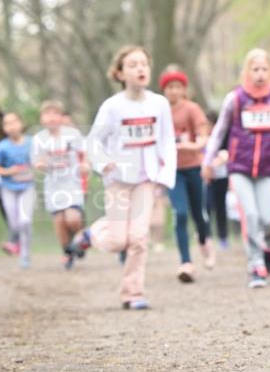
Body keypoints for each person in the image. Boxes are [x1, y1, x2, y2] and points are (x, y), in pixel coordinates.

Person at [67, 45, 177, 310]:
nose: (140, 69)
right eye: (132, 65)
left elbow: (167, 141)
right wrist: (103, 163)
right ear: (119, 73)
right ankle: (90, 235)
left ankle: (133, 293)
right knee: (118, 241)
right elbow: (93, 142)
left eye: (144, 64)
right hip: (118, 179)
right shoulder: (113, 107)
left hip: (146, 179)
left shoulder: (159, 104)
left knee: (139, 238)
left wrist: (164, 175)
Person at [202, 49, 270, 289]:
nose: (260, 74)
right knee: (251, 216)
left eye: (264, 69)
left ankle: (269, 247)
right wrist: (208, 161)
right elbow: (219, 131)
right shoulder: (235, 99)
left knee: (267, 220)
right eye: (255, 69)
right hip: (239, 167)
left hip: (267, 167)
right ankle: (255, 264)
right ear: (247, 71)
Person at [160, 67, 215, 283]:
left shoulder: (192, 109)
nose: (173, 91)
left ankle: (204, 240)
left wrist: (190, 146)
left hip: (193, 167)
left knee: (198, 214)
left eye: (177, 87)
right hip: (173, 172)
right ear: (164, 90)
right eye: (169, 87)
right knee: (180, 214)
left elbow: (203, 138)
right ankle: (186, 262)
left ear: (184, 89)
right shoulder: (160, 111)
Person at [31, 100, 89, 269]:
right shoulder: (39, 139)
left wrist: (85, 164)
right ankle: (67, 252)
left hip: (72, 183)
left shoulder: (72, 135)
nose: (51, 118)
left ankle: (80, 240)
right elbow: (37, 161)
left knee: (72, 218)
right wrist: (41, 165)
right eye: (47, 114)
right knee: (59, 221)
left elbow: (84, 152)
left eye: (55, 114)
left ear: (61, 117)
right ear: (41, 118)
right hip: (53, 186)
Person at [0, 112, 35, 269]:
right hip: (8, 188)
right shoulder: (1, 147)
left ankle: (25, 254)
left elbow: (39, 160)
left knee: (25, 221)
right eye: (7, 123)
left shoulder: (32, 143)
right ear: (4, 128)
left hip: (27, 188)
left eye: (14, 122)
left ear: (21, 123)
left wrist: (35, 167)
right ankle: (16, 244)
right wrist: (9, 171)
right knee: (14, 223)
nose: (11, 126)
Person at [204, 108, 229, 249]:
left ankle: (223, 237)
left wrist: (212, 165)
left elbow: (225, 155)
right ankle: (207, 236)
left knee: (221, 207)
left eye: (209, 124)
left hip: (221, 176)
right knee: (206, 206)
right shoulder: (201, 137)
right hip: (206, 179)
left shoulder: (222, 137)